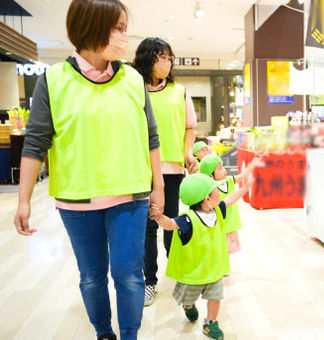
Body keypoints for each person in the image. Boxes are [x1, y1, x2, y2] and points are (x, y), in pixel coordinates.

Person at [13, 1, 164, 339]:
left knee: (128, 275)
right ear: (91, 27)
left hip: (131, 196)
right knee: (92, 275)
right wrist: (23, 201)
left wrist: (159, 187)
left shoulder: (133, 79)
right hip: (77, 201)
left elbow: (151, 137)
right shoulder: (54, 79)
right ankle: (103, 333)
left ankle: (129, 335)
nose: (125, 37)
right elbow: (36, 143)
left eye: (125, 28)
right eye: (118, 28)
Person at [133, 38, 198, 307]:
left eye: (170, 57)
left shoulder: (179, 91)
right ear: (148, 59)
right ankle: (150, 281)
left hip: (171, 168)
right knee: (147, 227)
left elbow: (189, 128)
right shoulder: (134, 90)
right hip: (141, 169)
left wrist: (188, 152)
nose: (167, 62)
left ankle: (180, 272)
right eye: (162, 57)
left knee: (170, 222)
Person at [149, 173, 254, 340]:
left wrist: (246, 187)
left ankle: (210, 323)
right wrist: (159, 217)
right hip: (193, 272)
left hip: (214, 269)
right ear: (207, 199)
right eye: (215, 190)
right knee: (189, 296)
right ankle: (188, 305)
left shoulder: (217, 210)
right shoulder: (187, 219)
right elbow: (169, 225)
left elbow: (231, 198)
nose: (219, 192)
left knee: (215, 296)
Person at [199, 155, 264, 254]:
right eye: (220, 168)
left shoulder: (229, 180)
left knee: (227, 251)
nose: (224, 170)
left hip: (231, 225)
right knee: (218, 251)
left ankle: (224, 267)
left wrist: (252, 165)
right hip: (217, 226)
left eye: (223, 167)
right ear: (210, 175)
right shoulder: (209, 189)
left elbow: (242, 176)